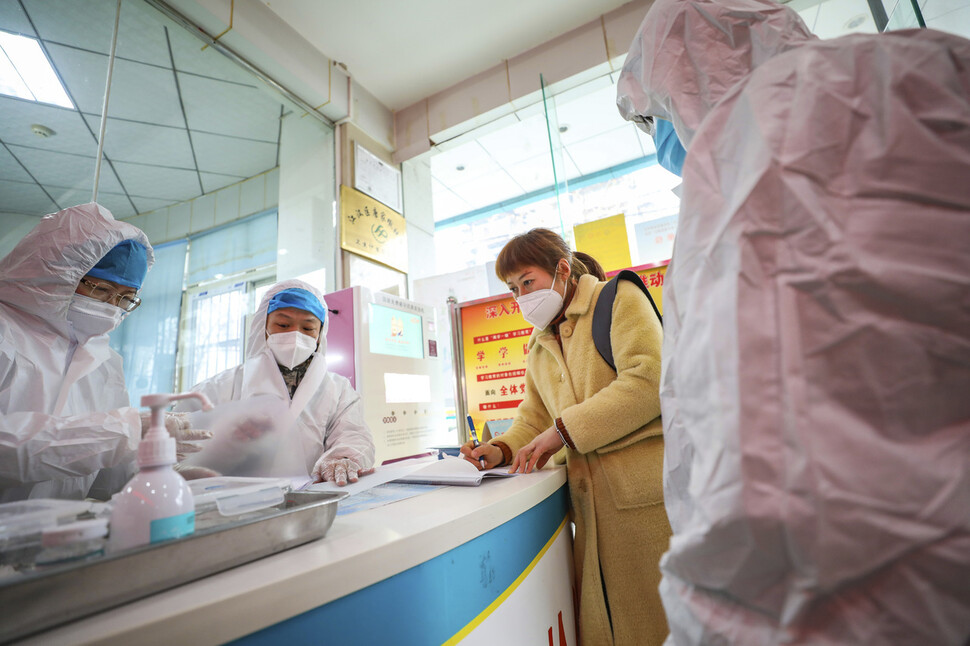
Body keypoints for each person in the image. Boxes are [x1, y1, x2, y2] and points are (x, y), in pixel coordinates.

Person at [617, 1, 970, 643]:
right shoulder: (931, 66)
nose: (663, 140)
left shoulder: (736, 175)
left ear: (681, 72)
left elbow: (740, 445)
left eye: (655, 117)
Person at [460, 228, 670, 645]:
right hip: (591, 509)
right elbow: (533, 418)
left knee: (664, 620)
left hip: (647, 501)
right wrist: (500, 449)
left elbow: (650, 379)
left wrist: (564, 430)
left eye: (527, 281)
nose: (521, 296)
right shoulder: (540, 344)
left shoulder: (618, 298)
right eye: (513, 288)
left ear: (561, 269)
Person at [0, 203, 208, 501]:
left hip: (60, 534)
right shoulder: (5, 333)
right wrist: (120, 432)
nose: (110, 307)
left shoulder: (106, 362)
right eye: (99, 289)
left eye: (125, 298)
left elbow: (107, 478)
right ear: (57, 274)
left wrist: (161, 477)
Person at [177, 280, 375, 486]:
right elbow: (177, 442)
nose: (295, 335)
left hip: (310, 498)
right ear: (263, 326)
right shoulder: (220, 386)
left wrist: (341, 459)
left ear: (319, 335)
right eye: (283, 325)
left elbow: (354, 435)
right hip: (236, 502)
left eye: (308, 328)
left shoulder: (338, 389)